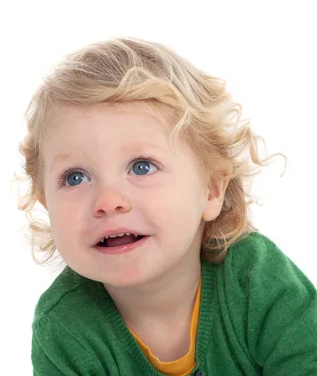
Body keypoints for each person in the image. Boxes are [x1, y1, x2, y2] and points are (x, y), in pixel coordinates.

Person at [16, 37, 317, 375]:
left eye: (142, 166)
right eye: (74, 178)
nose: (108, 201)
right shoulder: (64, 327)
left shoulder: (255, 280)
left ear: (212, 189)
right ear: (46, 204)